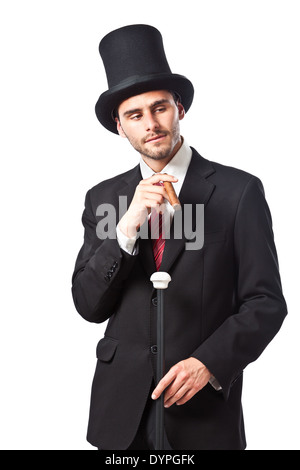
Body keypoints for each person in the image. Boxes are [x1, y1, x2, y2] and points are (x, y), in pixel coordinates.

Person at [71, 24, 287, 450]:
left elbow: (266, 302)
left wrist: (208, 362)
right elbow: (87, 305)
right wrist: (127, 228)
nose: (150, 124)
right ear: (119, 126)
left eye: (160, 108)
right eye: (135, 115)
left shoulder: (239, 192)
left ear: (180, 109)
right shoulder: (103, 198)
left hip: (202, 413)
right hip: (120, 419)